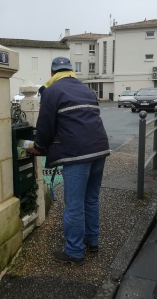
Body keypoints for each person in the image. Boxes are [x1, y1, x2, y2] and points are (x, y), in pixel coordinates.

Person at [26, 56, 110, 266]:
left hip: (77, 154)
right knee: (90, 199)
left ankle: (74, 251)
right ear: (71, 71)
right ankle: (92, 241)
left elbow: (45, 126)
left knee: (74, 205)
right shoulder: (86, 89)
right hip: (99, 148)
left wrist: (39, 147)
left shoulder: (52, 90)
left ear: (53, 73)